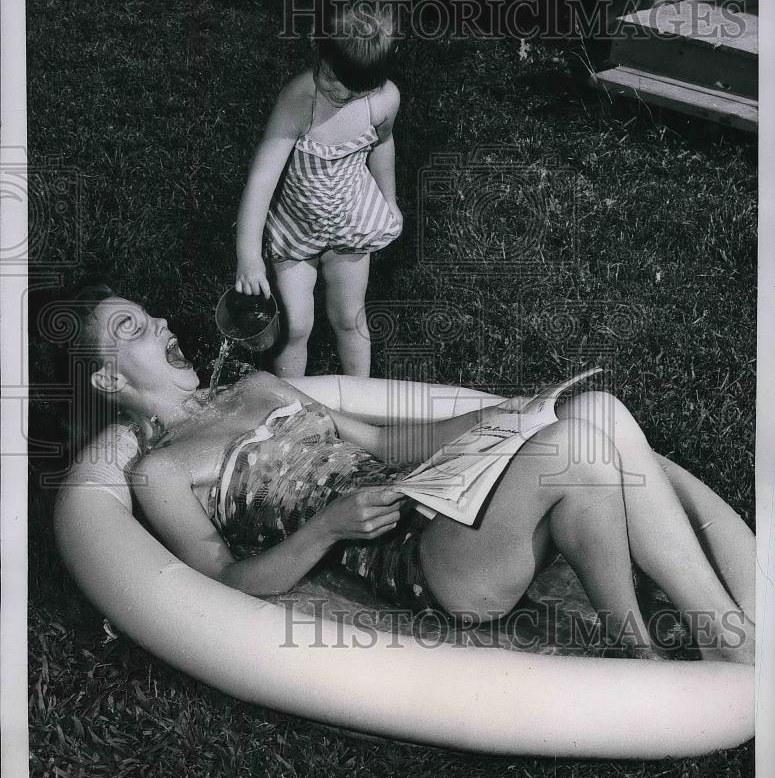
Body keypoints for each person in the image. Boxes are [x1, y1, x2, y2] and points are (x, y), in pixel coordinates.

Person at [66, 284, 755, 663]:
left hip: (435, 506)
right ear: (107, 377)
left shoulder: (255, 388)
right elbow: (223, 584)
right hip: (418, 564)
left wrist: (501, 417)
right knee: (576, 448)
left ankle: (647, 652)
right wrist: (326, 531)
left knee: (591, 420)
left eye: (150, 313)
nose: (159, 322)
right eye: (133, 327)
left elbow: (379, 437)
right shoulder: (159, 472)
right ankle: (725, 640)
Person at [234, 0, 403, 378]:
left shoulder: (384, 99)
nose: (340, 94)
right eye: (330, 79)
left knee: (350, 318)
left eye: (354, 90)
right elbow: (261, 181)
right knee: (296, 327)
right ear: (318, 47)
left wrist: (389, 201)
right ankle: (292, 410)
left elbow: (383, 146)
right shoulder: (298, 102)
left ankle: (359, 400)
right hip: (297, 231)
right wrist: (248, 257)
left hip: (351, 223)